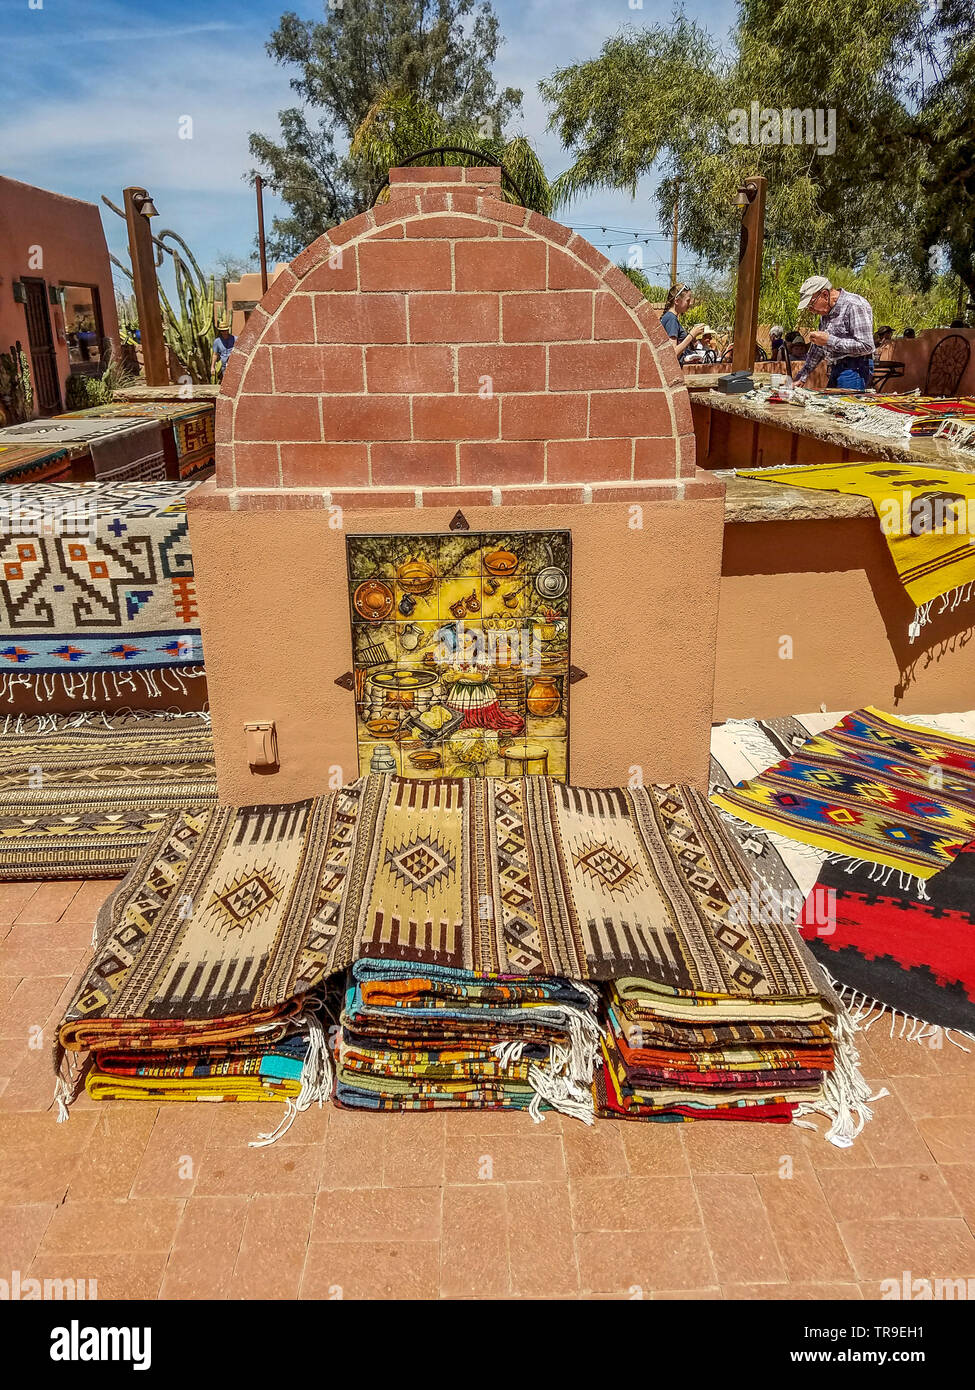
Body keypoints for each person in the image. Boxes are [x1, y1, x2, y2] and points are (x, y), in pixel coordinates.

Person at [793, 275, 874, 390]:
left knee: (845, 406)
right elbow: (818, 349)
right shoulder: (825, 312)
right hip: (836, 367)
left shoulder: (854, 305)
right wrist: (802, 376)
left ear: (825, 295)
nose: (811, 310)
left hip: (855, 368)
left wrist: (829, 340)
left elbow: (867, 346)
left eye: (811, 305)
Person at [659, 283, 708, 365]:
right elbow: (673, 353)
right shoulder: (671, 319)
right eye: (688, 300)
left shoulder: (670, 317)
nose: (690, 303)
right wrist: (691, 335)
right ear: (677, 301)